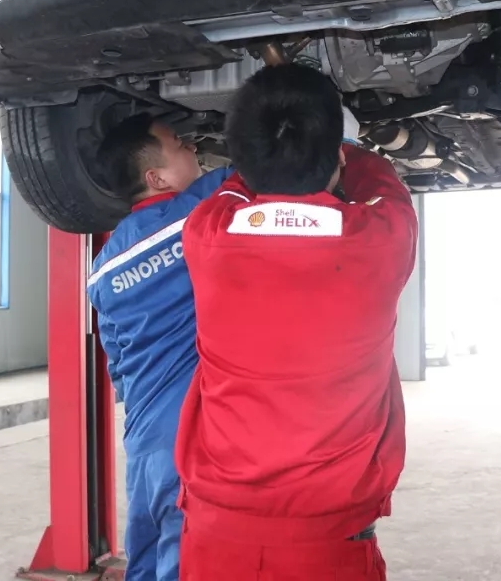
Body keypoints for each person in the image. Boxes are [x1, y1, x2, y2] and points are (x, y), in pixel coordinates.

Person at [173, 64, 419, 580]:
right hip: (328, 549)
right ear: (337, 158)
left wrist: (328, 147)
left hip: (215, 541)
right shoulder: (384, 235)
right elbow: (383, 181)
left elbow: (237, 188)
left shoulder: (206, 233)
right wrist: (345, 148)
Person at [85, 113, 231, 581]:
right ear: (156, 177)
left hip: (144, 439)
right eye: (181, 145)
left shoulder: (102, 269)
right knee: (181, 558)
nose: (193, 147)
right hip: (184, 438)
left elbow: (119, 364)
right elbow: (260, 165)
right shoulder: (195, 213)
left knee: (144, 556)